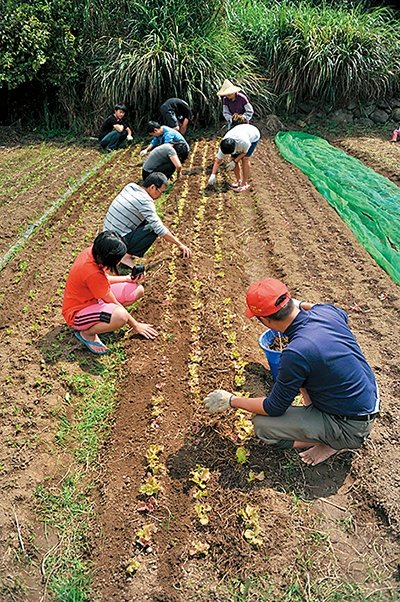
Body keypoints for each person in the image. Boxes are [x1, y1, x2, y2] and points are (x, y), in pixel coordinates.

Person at [204, 278, 379, 467]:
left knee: (264, 426)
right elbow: (338, 313)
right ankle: (323, 425)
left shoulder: (296, 353)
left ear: (265, 320)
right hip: (368, 397)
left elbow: (274, 407)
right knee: (308, 374)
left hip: (352, 425)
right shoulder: (327, 312)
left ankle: (333, 442)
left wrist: (231, 400)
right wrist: (295, 303)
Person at [62, 231, 157, 355]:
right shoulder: (91, 272)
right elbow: (112, 300)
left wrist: (127, 278)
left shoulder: (93, 252)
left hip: (94, 297)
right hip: (77, 313)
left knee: (137, 289)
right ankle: (87, 334)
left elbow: (103, 280)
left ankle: (103, 320)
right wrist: (135, 325)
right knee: (121, 316)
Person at [103, 172, 192, 268]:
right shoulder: (145, 201)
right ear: (152, 187)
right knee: (152, 228)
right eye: (160, 192)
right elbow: (159, 228)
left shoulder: (130, 187)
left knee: (147, 219)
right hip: (115, 243)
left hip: (106, 235)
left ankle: (125, 252)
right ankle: (125, 257)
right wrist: (179, 244)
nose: (160, 196)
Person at [208, 124, 261, 193]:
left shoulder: (244, 143)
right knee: (233, 158)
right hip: (240, 132)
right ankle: (238, 181)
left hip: (253, 135)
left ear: (235, 147)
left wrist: (235, 161)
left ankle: (244, 184)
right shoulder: (223, 145)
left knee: (245, 159)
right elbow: (218, 161)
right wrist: (213, 174)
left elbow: (244, 153)